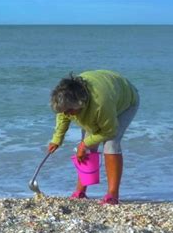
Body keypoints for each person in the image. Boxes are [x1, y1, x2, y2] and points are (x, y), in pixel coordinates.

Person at [48, 70, 139, 205]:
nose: (67, 114)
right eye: (64, 111)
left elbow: (110, 131)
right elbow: (63, 115)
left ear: (79, 103)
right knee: (87, 145)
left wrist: (84, 145)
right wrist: (57, 139)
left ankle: (112, 195)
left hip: (125, 101)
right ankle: (81, 191)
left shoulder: (101, 103)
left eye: (69, 111)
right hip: (101, 94)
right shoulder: (66, 99)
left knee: (111, 143)